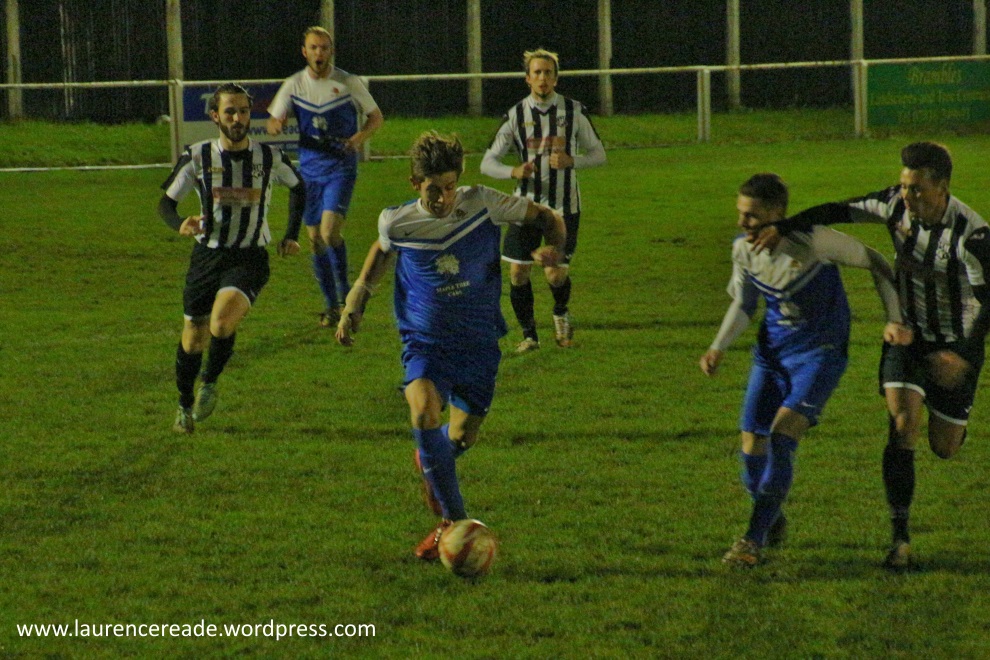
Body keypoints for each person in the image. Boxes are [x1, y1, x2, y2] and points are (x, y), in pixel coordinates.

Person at [752, 142, 990, 569]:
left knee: (945, 447)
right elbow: (836, 210)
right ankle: (900, 539)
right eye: (904, 186)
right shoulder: (893, 204)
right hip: (907, 335)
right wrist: (784, 226)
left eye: (917, 189)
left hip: (955, 346)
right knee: (902, 424)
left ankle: (953, 423)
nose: (907, 196)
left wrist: (963, 358)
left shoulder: (971, 235)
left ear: (942, 188)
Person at [335, 131, 566, 560]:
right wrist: (356, 300)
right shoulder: (397, 221)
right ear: (414, 184)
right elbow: (381, 251)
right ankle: (455, 521)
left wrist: (555, 248)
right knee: (423, 410)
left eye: (448, 186)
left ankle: (433, 456)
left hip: (479, 342)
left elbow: (549, 217)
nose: (442, 198)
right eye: (432, 189)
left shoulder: (483, 202)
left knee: (462, 435)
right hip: (425, 342)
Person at [700, 173, 908, 568]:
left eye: (751, 215)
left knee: (781, 437)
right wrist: (717, 347)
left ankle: (751, 541)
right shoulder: (743, 250)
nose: (743, 222)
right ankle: (770, 515)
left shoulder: (814, 241)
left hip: (819, 355)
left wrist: (894, 317)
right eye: (740, 213)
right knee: (752, 445)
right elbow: (745, 303)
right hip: (771, 356)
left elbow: (878, 263)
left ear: (777, 213)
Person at [159, 83, 305, 433]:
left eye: (243, 111)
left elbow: (299, 187)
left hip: (249, 257)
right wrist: (180, 223)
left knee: (222, 323)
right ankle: (184, 403)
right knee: (193, 338)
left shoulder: (268, 157)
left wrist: (291, 235)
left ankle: (209, 382)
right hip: (207, 257)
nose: (238, 118)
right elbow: (166, 203)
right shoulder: (198, 156)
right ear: (215, 116)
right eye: (229, 112)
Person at [481, 48, 605, 353]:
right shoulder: (515, 115)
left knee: (554, 273)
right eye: (537, 72)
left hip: (565, 206)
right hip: (526, 207)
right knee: (518, 272)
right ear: (528, 78)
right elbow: (487, 163)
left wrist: (572, 161)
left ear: (556, 78)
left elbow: (599, 154)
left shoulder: (574, 111)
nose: (543, 78)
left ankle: (561, 313)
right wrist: (512, 171)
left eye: (548, 72)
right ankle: (529, 336)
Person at [266, 26, 384, 328]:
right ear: (304, 51)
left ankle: (347, 298)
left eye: (324, 47)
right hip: (309, 171)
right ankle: (331, 306)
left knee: (330, 232)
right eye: (314, 47)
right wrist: (276, 124)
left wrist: (358, 139)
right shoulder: (294, 84)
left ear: (331, 51)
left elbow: (376, 117)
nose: (319, 52)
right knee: (315, 240)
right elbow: (272, 120)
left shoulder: (347, 82)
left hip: (340, 167)